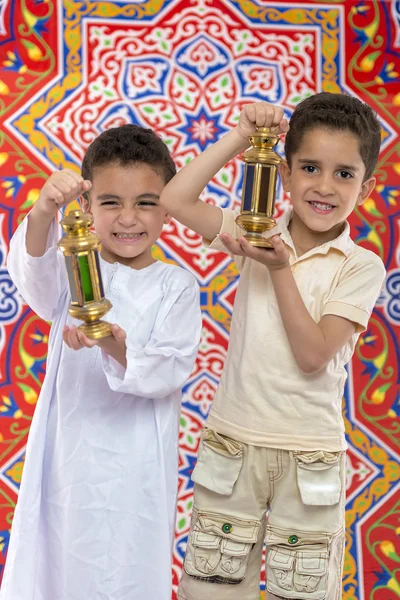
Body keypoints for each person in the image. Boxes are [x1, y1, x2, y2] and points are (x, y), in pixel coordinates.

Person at [159, 93, 386, 600]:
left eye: (344, 174)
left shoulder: (360, 265)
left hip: (311, 458)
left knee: (300, 591)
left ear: (366, 188)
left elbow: (312, 355)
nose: (324, 186)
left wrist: (278, 268)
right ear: (284, 175)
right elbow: (175, 200)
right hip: (232, 444)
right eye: (309, 167)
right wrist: (243, 136)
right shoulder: (253, 228)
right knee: (211, 589)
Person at [3, 124, 202, 600]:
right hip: (66, 457)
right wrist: (42, 209)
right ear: (87, 207)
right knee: (58, 562)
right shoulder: (75, 265)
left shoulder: (176, 286)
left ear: (167, 208)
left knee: (124, 566)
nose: (128, 218)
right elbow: (32, 275)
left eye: (146, 202)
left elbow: (168, 368)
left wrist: (113, 344)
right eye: (111, 202)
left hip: (135, 463)